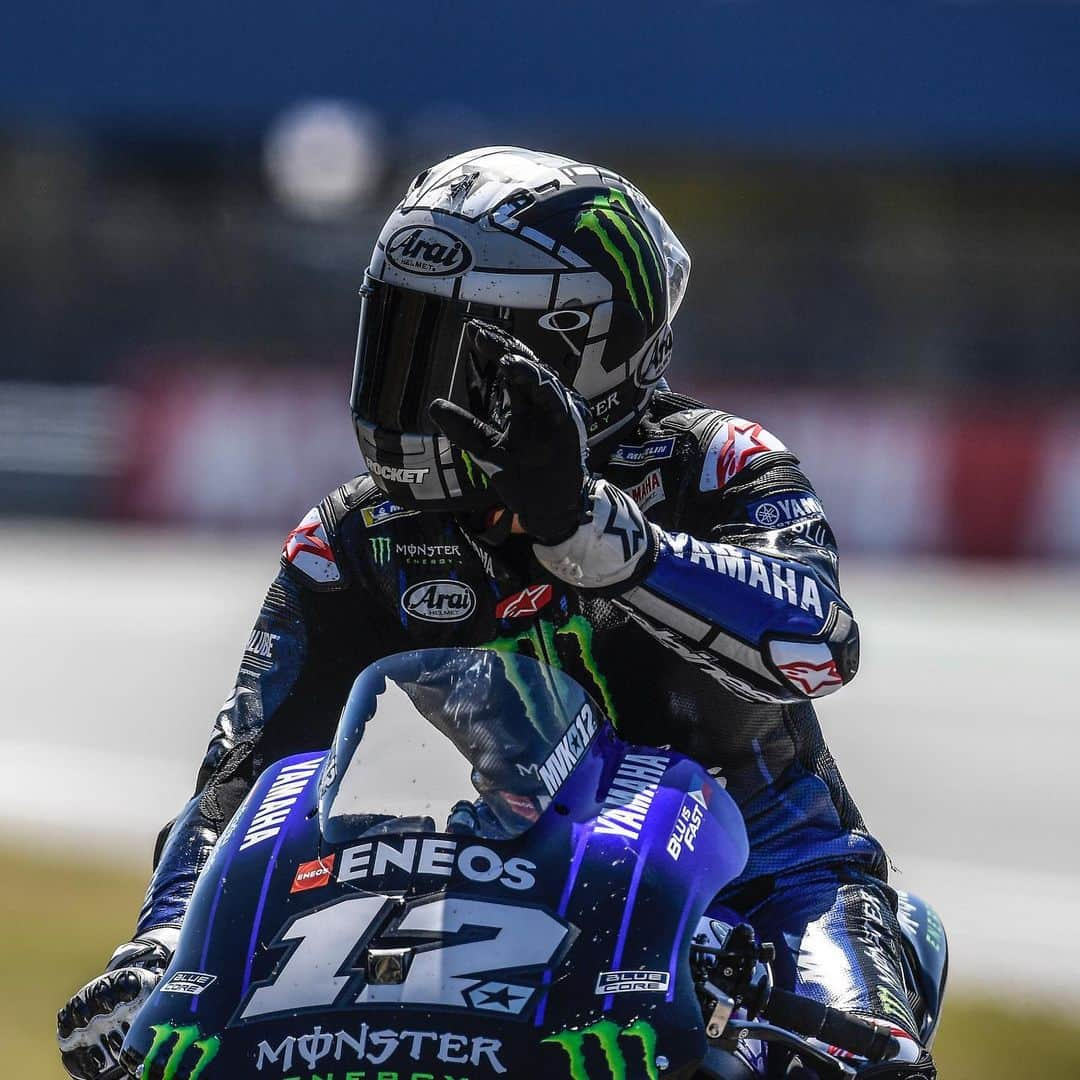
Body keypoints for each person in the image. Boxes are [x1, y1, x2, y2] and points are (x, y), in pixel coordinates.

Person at [57, 147, 935, 1079]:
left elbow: (819, 645)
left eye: (443, 345)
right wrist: (162, 948)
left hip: (761, 895)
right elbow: (241, 785)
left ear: (576, 350)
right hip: (468, 896)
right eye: (395, 334)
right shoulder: (351, 539)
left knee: (871, 1065)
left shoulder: (715, 466)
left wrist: (598, 536)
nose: (406, 380)